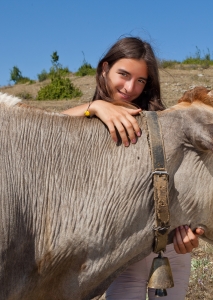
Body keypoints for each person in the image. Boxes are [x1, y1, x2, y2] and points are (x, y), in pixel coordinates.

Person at [62, 36, 204, 299]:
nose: (130, 87)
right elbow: (43, 131)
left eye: (141, 80)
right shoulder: (89, 116)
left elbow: (184, 183)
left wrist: (190, 232)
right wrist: (96, 108)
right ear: (104, 68)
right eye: (123, 74)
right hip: (121, 252)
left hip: (169, 248)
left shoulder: (159, 122)